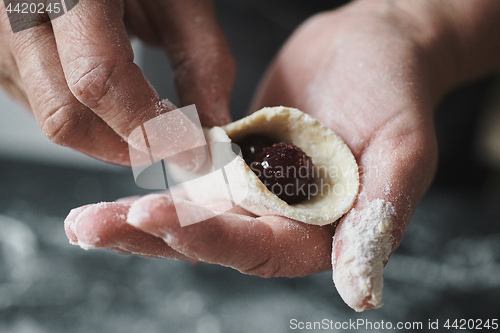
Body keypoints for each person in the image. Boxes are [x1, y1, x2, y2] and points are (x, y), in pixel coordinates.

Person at [1, 0, 499, 311]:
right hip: (196, 38)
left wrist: (417, 23)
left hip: (402, 71)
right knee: (188, 216)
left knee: (432, 249)